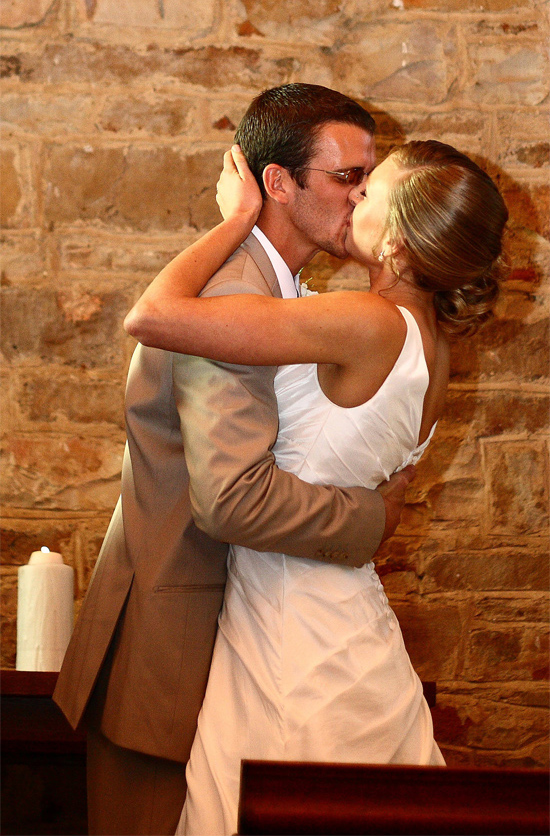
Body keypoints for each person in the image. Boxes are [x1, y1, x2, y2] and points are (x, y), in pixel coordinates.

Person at [52, 83, 415, 836]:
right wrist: (371, 517)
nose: (362, 195)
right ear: (278, 182)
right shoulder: (231, 291)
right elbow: (233, 498)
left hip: (232, 642)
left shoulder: (281, 293)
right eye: (347, 176)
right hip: (170, 650)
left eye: (368, 178)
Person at [124, 138, 508, 835]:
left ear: (398, 241)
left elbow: (152, 316)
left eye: (371, 190)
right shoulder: (436, 345)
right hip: (346, 618)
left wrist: (236, 222)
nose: (355, 194)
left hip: (292, 630)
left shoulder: (364, 322)